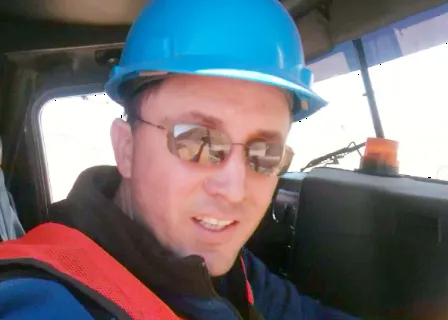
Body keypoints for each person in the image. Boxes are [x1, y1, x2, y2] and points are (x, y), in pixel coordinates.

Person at [0, 0, 359, 319]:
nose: (235, 191)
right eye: (198, 142)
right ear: (126, 149)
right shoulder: (42, 298)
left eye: (264, 154)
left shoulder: (237, 272)